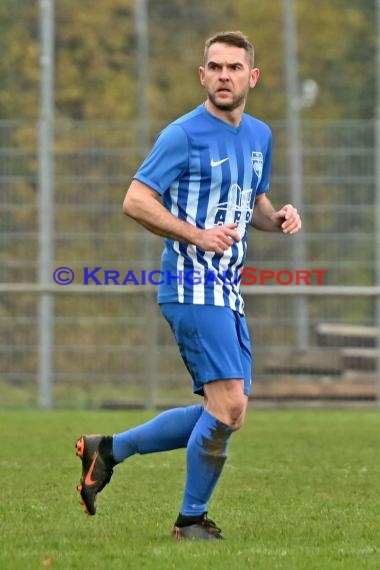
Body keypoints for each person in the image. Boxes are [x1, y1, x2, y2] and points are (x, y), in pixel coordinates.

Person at [75, 30, 301, 540]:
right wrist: (196, 235)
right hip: (190, 283)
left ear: (252, 77)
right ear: (203, 75)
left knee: (225, 410)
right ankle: (190, 521)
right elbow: (135, 200)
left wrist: (279, 217)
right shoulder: (182, 134)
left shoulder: (260, 135)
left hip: (228, 287)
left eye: (234, 68)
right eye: (215, 67)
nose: (225, 76)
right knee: (229, 406)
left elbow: (253, 206)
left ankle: (108, 449)